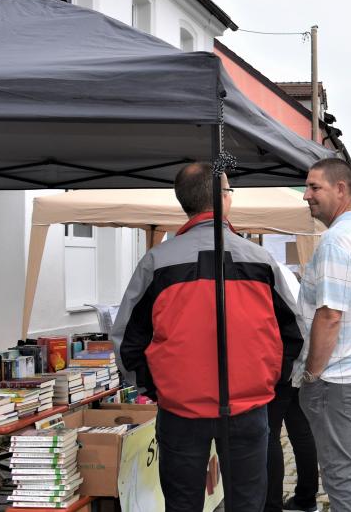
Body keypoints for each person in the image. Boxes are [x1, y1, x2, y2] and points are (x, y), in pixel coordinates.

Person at [113, 162, 302, 512]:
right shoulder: (261, 260)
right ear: (224, 200)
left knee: (182, 504)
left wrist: (153, 387)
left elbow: (126, 339)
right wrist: (273, 381)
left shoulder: (157, 261)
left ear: (184, 202)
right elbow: (294, 332)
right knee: (247, 504)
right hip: (246, 406)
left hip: (181, 408)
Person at [294, 158, 351, 512]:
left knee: (341, 475)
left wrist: (312, 375)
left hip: (340, 376)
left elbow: (330, 315)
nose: (306, 196)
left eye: (314, 187)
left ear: (341, 190)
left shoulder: (335, 241)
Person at [266, 263, 319, 512]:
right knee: (300, 431)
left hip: (284, 364)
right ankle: (306, 498)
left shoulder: (270, 271)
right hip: (298, 361)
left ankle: (272, 504)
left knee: (270, 435)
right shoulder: (283, 271)